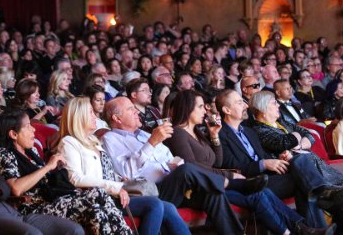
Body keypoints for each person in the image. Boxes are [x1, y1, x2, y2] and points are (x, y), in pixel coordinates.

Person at [164, 90, 329, 235]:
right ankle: (300, 227)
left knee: (298, 173)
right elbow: (193, 168)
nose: (205, 109)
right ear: (187, 108)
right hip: (203, 188)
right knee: (260, 192)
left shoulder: (199, 133)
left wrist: (214, 136)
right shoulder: (178, 133)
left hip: (223, 181)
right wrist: (231, 175)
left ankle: (306, 226)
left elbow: (216, 161)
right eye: (200, 106)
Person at [101, 96, 245, 235]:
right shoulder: (111, 139)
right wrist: (151, 143)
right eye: (130, 109)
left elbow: (171, 159)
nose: (137, 111)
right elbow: (127, 171)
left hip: (176, 185)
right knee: (187, 169)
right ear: (117, 118)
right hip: (153, 192)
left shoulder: (144, 134)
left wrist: (178, 167)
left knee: (212, 193)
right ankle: (230, 183)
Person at [57, 97, 191, 235]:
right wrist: (116, 186)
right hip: (93, 200)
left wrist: (120, 179)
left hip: (110, 194)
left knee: (167, 207)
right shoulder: (69, 142)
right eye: (90, 112)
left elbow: (104, 171)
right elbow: (76, 178)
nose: (95, 117)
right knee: (154, 204)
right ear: (78, 117)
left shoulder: (92, 141)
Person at [248, 91, 343, 234]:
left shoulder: (281, 122)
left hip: (310, 165)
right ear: (263, 108)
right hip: (293, 169)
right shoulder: (259, 129)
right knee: (311, 181)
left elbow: (309, 135)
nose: (278, 105)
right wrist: (297, 136)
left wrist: (300, 144)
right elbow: (285, 142)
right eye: (274, 102)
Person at [0, 110, 130, 234]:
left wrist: (56, 169)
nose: (33, 130)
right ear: (14, 134)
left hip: (53, 201)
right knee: (92, 207)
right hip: (33, 207)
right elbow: (16, 188)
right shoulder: (3, 154)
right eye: (27, 126)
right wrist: (48, 167)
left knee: (99, 196)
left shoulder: (30, 152)